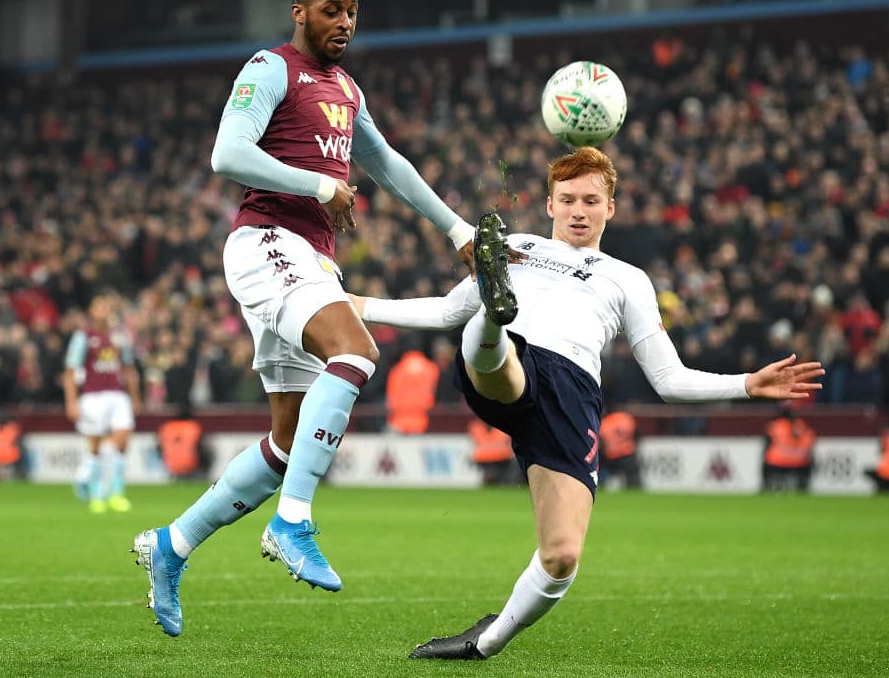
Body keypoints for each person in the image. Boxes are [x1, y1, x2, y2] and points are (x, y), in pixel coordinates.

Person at [350, 146, 824, 660]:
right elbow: (445, 311)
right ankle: (493, 316)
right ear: (550, 205)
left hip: (574, 395)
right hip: (515, 363)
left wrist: (747, 385)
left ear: (610, 208)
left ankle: (484, 642)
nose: (579, 210)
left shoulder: (628, 279)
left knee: (561, 557)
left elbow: (669, 379)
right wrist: (362, 306)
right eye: (568, 199)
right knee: (497, 350)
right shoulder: (517, 246)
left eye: (591, 201)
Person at [131, 0, 479, 637]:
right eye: (330, 10)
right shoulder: (270, 69)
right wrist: (320, 187)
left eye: (351, 11)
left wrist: (455, 226)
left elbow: (389, 164)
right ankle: (292, 520)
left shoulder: (346, 88)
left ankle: (170, 545)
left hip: (307, 258)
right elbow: (227, 154)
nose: (344, 22)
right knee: (355, 351)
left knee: (284, 444)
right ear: (299, 13)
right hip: (267, 241)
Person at [63, 292, 141, 514]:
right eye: (99, 307)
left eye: (106, 307)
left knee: (123, 439)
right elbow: (70, 372)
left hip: (117, 395)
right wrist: (71, 401)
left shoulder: (120, 336)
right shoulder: (83, 337)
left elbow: (128, 368)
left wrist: (135, 396)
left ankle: (116, 493)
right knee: (96, 446)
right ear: (91, 311)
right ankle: (97, 494)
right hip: (92, 396)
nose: (104, 311)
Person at [761, 405, 816, 492]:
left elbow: (767, 445)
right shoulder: (802, 425)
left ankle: (766, 487)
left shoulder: (776, 425)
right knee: (809, 459)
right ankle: (803, 487)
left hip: (776, 462)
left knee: (766, 458)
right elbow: (810, 443)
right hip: (800, 461)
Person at [599, 409, 641, 490]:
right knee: (632, 477)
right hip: (628, 453)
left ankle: (601, 487)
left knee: (602, 471)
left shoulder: (605, 422)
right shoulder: (625, 418)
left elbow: (602, 442)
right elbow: (636, 433)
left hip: (611, 455)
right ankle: (635, 490)